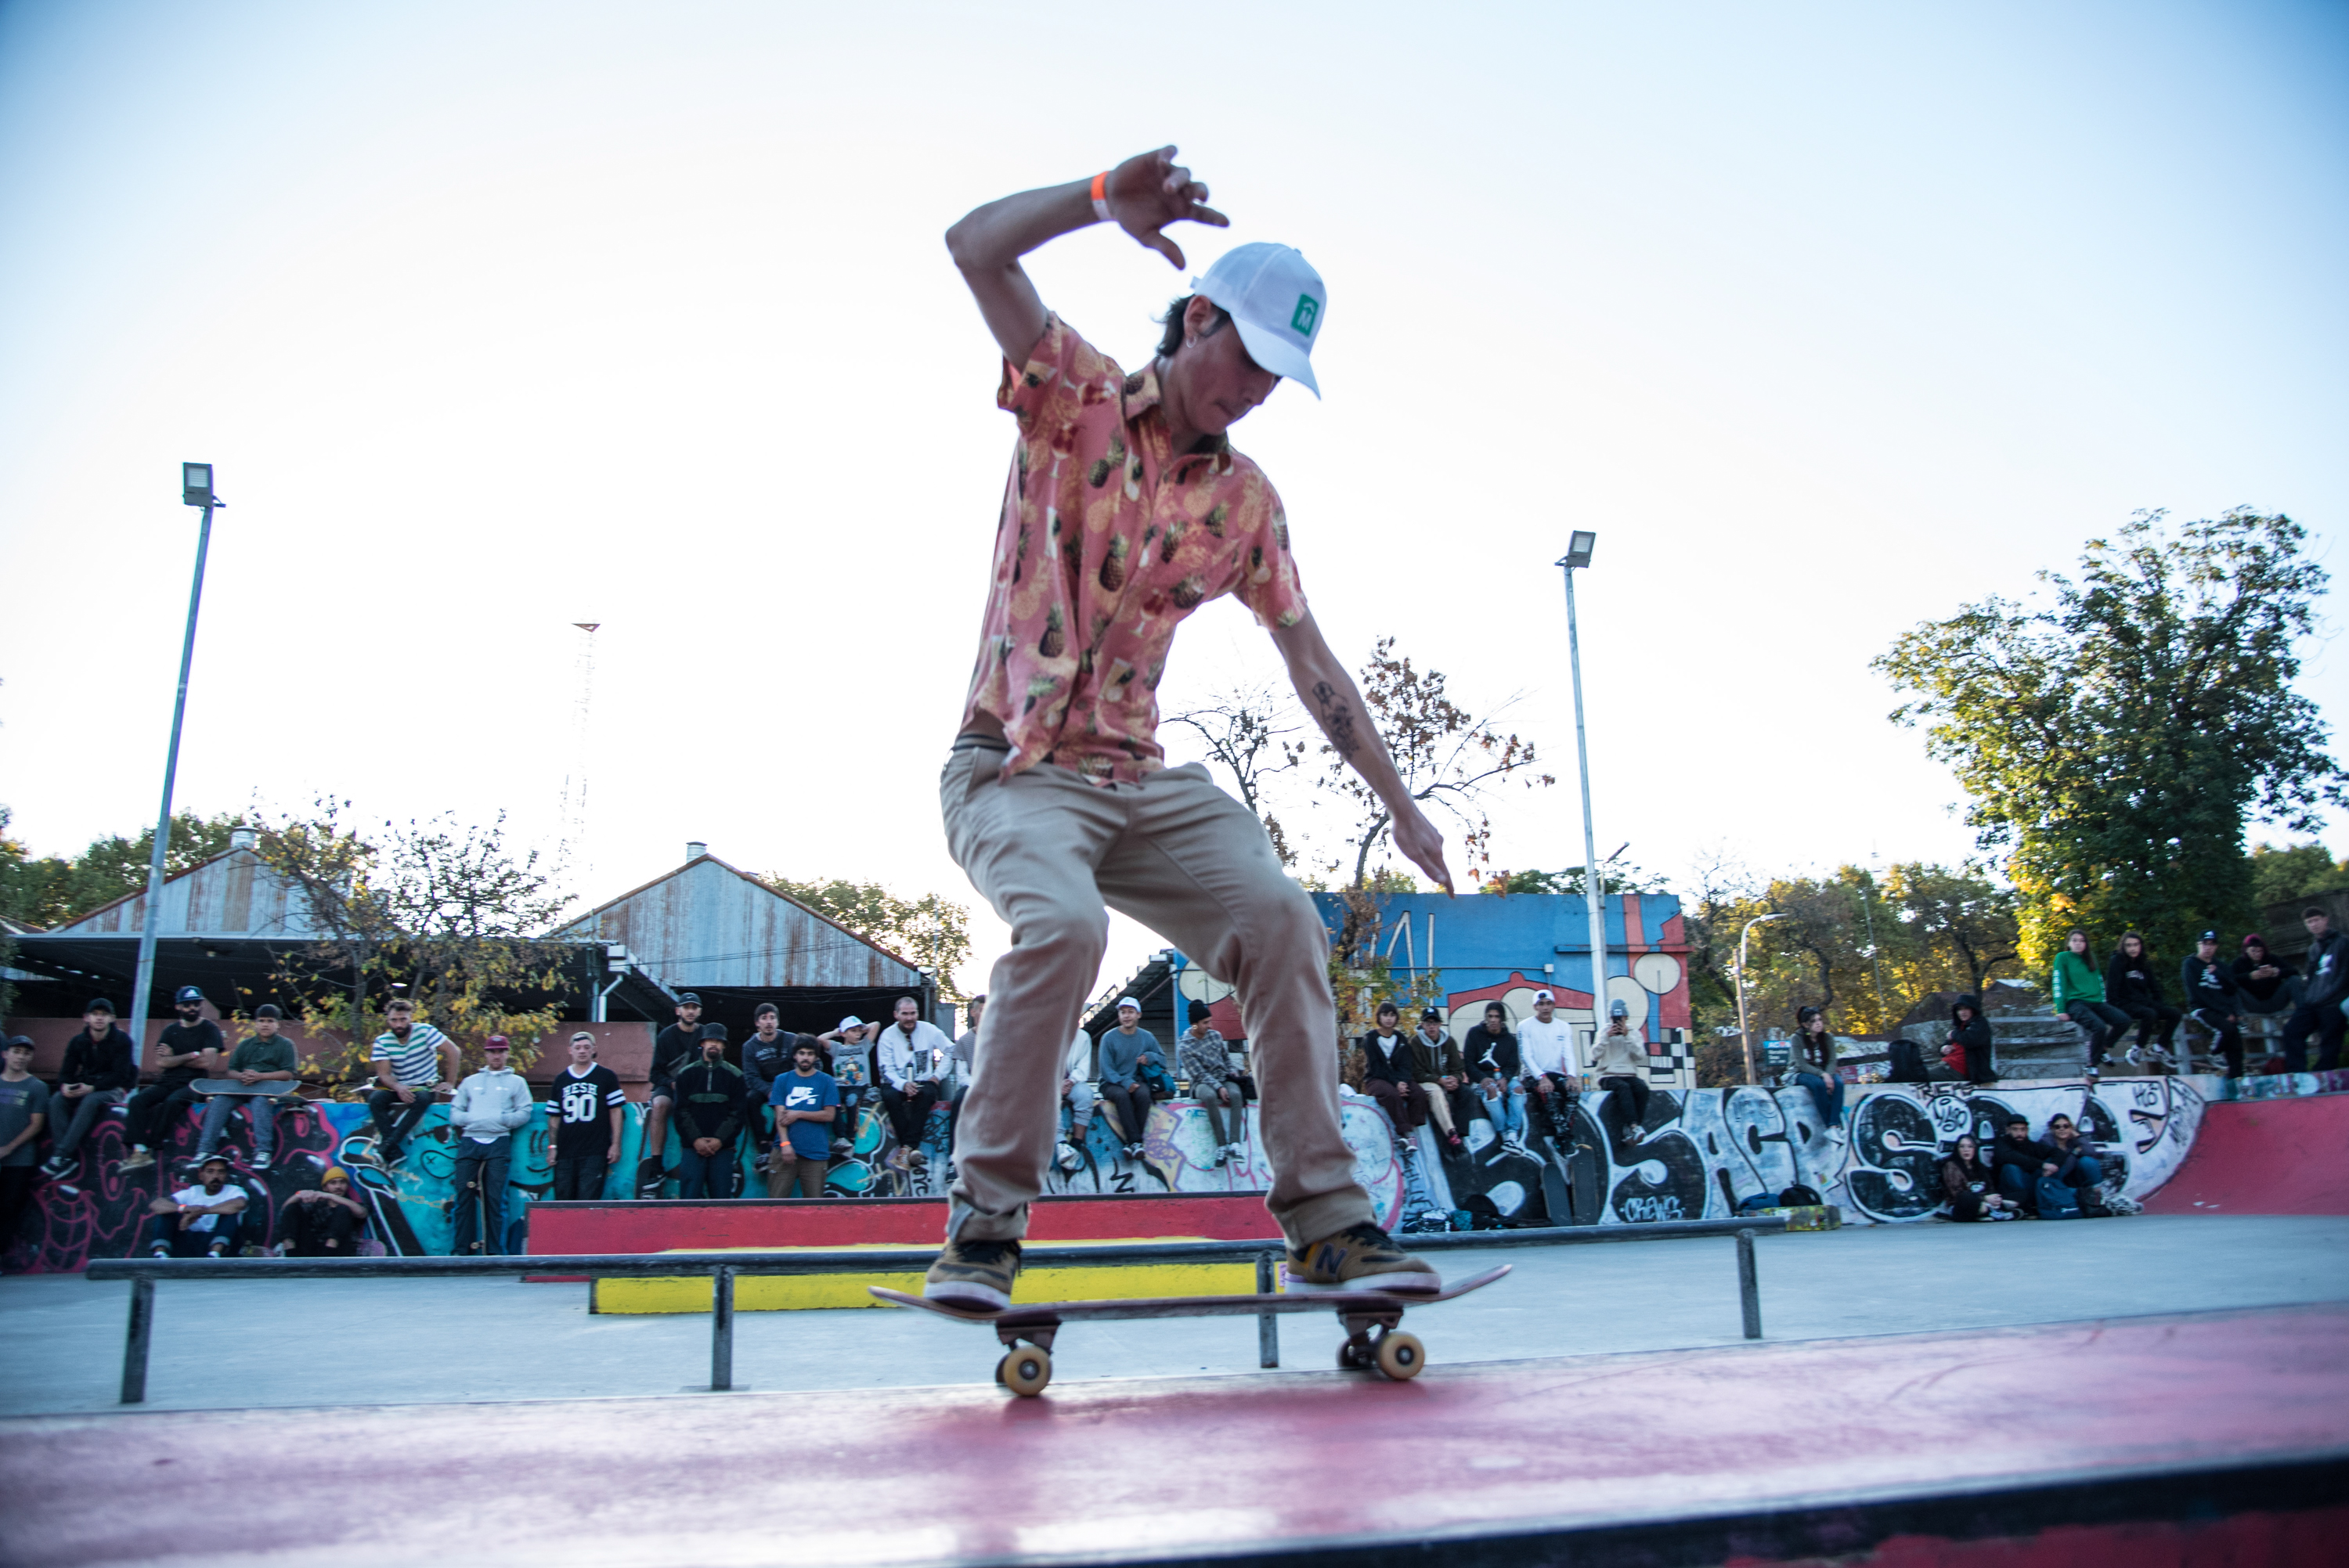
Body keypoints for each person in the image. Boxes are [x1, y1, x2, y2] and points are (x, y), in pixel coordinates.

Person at [926, 146, 1443, 1307]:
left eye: (1276, 377)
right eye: (1248, 360)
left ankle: (1329, 1219)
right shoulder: (1077, 397)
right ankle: (985, 1226)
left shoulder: (1246, 500)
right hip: (1013, 772)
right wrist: (1101, 201)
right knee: (1061, 927)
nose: (1255, 391)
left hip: (1141, 784)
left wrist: (1401, 806)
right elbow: (973, 246)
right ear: (1198, 318)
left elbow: (1313, 661)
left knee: (1279, 918)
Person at [117, 986, 224, 1172]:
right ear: (178, 1007)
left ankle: (150, 1149)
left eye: (196, 1004)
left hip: (195, 1083)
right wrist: (190, 1055)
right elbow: (161, 1062)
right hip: (168, 1081)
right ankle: (139, 1151)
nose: (192, 1008)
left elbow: (207, 1062)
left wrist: (174, 1057)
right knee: (137, 1101)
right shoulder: (170, 1031)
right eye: (187, 1004)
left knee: (172, 1102)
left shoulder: (209, 1029)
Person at [447, 1035, 533, 1254]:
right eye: (493, 1051)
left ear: (507, 1054)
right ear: (485, 1054)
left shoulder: (517, 1082)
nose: (497, 1056)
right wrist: (471, 1119)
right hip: (470, 1141)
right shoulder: (471, 1082)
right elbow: (455, 1111)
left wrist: (502, 1120)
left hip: (499, 1141)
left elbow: (525, 1111)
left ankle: (495, 1253)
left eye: (501, 1051)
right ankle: (460, 1251)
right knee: (463, 1197)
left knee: (496, 1199)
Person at [41, 998, 137, 1181]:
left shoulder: (122, 1041)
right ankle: (66, 1159)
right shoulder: (78, 1041)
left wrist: (92, 1088)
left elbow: (121, 1075)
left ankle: (61, 1154)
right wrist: (66, 1086)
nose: (99, 1018)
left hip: (113, 1089)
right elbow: (66, 1072)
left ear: (112, 1018)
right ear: (86, 1018)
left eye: (104, 1015)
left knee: (91, 1100)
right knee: (57, 1100)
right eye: (95, 1014)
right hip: (86, 1086)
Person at [194, 1004, 301, 1170]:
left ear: (277, 1024)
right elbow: (232, 1070)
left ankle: (263, 1152)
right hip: (242, 1085)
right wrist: (242, 1076)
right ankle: (204, 1150)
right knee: (220, 1100)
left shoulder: (286, 1045)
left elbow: (288, 1073)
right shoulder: (245, 1044)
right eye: (261, 1021)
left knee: (260, 1102)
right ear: (256, 1023)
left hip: (267, 1087)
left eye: (270, 1021)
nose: (265, 1025)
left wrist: (260, 1077)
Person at [363, 999, 459, 1168]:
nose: (398, 1024)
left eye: (403, 1019)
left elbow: (454, 1051)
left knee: (421, 1099)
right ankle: (393, 1153)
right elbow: (384, 1074)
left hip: (424, 1084)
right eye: (394, 1020)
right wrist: (399, 1087)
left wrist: (450, 1082)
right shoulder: (382, 1041)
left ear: (410, 1018)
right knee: (376, 1099)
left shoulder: (425, 1031)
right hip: (398, 1084)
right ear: (388, 1020)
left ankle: (387, 1147)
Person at [637, 993, 705, 1198]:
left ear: (699, 1011)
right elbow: (655, 1074)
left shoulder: (705, 1034)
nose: (690, 1011)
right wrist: (672, 1084)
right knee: (659, 1105)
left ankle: (697, 1163)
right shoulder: (666, 1035)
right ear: (678, 1011)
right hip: (670, 1085)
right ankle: (657, 1166)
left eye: (694, 1007)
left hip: (696, 1088)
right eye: (686, 1007)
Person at [545, 1030, 626, 1201]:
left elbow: (616, 1111)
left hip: (595, 1151)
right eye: (578, 1047)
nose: (582, 1051)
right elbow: (554, 1117)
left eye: (586, 1047)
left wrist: (616, 1144)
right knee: (563, 1202)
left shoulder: (606, 1076)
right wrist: (553, 1148)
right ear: (570, 1050)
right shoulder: (561, 1079)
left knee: (588, 1201)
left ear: (593, 1049)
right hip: (565, 1152)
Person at [670, 1024, 749, 1199]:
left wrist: (719, 1140)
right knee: (688, 1202)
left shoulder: (735, 1076)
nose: (714, 1044)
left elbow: (738, 1113)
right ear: (702, 1043)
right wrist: (696, 1140)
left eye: (719, 1041)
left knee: (721, 1203)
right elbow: (681, 1111)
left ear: (724, 1046)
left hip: (723, 1149)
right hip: (692, 1149)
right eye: (710, 1040)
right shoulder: (686, 1074)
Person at [876, 997, 954, 1172]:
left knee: (927, 1095)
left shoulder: (929, 1030)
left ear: (918, 1013)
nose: (910, 1018)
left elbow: (951, 1050)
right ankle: (911, 1148)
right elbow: (886, 1069)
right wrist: (903, 1084)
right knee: (890, 1097)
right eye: (905, 1014)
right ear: (896, 1015)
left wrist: (937, 1076)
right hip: (896, 1083)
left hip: (923, 1080)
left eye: (913, 1013)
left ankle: (906, 1149)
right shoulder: (887, 1036)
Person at [2052, 929, 2132, 1074]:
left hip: (2096, 1002)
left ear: (2086, 944)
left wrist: (2103, 1002)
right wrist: (2061, 1009)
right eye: (2075, 940)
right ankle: (2092, 1065)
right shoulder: (2063, 957)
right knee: (2099, 1027)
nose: (2078, 944)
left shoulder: (2090, 957)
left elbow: (2099, 981)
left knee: (2124, 1020)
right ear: (2069, 943)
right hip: (2075, 1003)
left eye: (2082, 941)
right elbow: (2059, 982)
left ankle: (2103, 1049)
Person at [767, 1040, 839, 1199]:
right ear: (794, 1056)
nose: (805, 1057)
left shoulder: (827, 1081)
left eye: (810, 1054)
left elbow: (829, 1115)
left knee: (814, 1209)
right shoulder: (782, 1080)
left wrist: (798, 1114)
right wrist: (785, 1145)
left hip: (816, 1152)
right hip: (784, 1151)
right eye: (801, 1053)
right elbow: (780, 1115)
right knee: (775, 1206)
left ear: (816, 1057)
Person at [2279, 907, 2347, 1072]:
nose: (2314, 924)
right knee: (2292, 1030)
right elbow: (2310, 976)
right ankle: (2298, 1073)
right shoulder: (2313, 949)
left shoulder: (2343, 943)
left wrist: (2332, 994)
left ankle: (2323, 1073)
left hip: (2334, 1001)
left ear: (2325, 920)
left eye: (2316, 920)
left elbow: (2345, 973)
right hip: (2313, 1002)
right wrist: (2308, 996)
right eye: (2309, 922)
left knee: (2330, 1040)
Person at [1178, 1000, 1243, 1165]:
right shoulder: (1185, 1046)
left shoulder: (1216, 1036)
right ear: (1194, 1025)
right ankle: (1221, 1146)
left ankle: (1234, 1144)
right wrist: (1219, 1087)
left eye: (1210, 1021)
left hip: (1223, 1077)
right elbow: (1199, 1074)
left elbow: (1226, 1059)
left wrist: (1232, 1072)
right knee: (1209, 1097)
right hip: (1201, 1082)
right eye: (1205, 1023)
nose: (1210, 1025)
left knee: (1236, 1094)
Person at [1095, 1000, 1162, 1159]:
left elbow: (1163, 1059)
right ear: (1119, 1015)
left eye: (1130, 1012)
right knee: (1122, 1096)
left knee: (1144, 1095)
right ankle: (1135, 1142)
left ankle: (1132, 1144)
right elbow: (1106, 1070)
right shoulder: (1108, 1038)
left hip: (1137, 1080)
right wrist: (1125, 1083)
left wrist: (1149, 1057)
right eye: (1123, 1012)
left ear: (1139, 1014)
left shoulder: (1147, 1037)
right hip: (1110, 1082)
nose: (1126, 1016)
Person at [0, 1037, 50, 1252]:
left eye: (26, 1053)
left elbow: (36, 1125)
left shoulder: (37, 1087)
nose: (20, 1056)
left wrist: (8, 1149)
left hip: (19, 1159)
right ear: (5, 1054)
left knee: (7, 1208)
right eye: (16, 1051)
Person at [143, 1155, 246, 1257]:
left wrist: (201, 1211)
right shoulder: (192, 1192)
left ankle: (214, 1255)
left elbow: (240, 1204)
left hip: (221, 1244)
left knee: (231, 1213)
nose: (216, 1176)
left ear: (226, 1175)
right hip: (189, 1243)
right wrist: (185, 1209)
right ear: (201, 1175)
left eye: (221, 1172)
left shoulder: (234, 1190)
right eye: (210, 1171)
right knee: (166, 1212)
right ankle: (160, 1255)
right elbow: (156, 1205)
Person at [2105, 932, 2181, 1067]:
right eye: (2129, 946)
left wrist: (2160, 1005)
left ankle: (2159, 1048)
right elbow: (2111, 988)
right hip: (2123, 1003)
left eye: (2135, 945)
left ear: (2140, 946)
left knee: (2175, 1013)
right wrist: (2114, 1009)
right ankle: (2137, 1049)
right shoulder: (2118, 961)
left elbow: (2154, 987)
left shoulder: (2144, 963)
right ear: (2124, 947)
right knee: (2149, 1014)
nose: (2132, 949)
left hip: (2143, 1002)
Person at [1356, 1003, 1424, 1148]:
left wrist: (1403, 1082)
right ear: (1379, 1017)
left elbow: (1406, 1065)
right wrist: (1396, 1084)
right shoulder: (1371, 1038)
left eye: (1392, 1015)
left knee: (1418, 1093)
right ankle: (1405, 1134)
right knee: (1392, 1095)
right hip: (1376, 1079)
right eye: (1385, 1015)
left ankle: (1411, 1127)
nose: (1389, 1018)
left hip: (1400, 1079)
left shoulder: (1401, 1039)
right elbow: (1376, 1067)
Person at [1408, 1007, 1473, 1155]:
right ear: (1422, 1025)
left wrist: (1455, 1079)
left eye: (1435, 1023)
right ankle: (1452, 1135)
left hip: (1446, 1080)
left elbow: (1457, 1068)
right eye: (1428, 1023)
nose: (1431, 1026)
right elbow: (1417, 1073)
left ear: (1440, 1024)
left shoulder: (1449, 1042)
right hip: (1426, 1082)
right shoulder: (1415, 1043)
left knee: (1467, 1093)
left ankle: (1462, 1134)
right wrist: (1439, 1080)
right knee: (1437, 1093)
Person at [1517, 989, 1579, 1144]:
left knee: (1573, 1091)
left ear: (1554, 1006)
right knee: (1547, 1092)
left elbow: (1569, 1054)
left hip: (1555, 1074)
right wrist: (1541, 1077)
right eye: (1541, 1004)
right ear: (1535, 1007)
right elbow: (1526, 1056)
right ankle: (1565, 1138)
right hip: (1532, 1076)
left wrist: (1572, 1076)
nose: (1545, 1008)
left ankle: (1562, 1136)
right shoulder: (1524, 1026)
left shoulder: (1563, 1027)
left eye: (1548, 1004)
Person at [2180, 932, 2245, 1077]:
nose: (2208, 948)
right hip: (2202, 1008)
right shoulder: (2190, 964)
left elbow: (2232, 989)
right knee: (2226, 1029)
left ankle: (2237, 1080)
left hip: (2224, 1009)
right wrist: (2223, 1012)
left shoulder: (2220, 965)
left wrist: (2233, 1012)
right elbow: (2196, 993)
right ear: (2198, 945)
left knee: (2236, 1043)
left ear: (2216, 946)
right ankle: (2215, 1053)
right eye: (2205, 944)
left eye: (2212, 944)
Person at [1463, 1001, 1527, 1151]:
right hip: (1482, 1078)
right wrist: (1481, 1078)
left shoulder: (1510, 1039)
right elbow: (1468, 1063)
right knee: (1492, 1091)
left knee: (1518, 1089)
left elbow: (1513, 1065)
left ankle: (1512, 1133)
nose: (1493, 1020)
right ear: (1485, 1018)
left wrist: (1506, 1078)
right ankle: (1505, 1135)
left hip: (1504, 1077)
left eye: (1496, 1017)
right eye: (1490, 1016)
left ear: (1502, 1019)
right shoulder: (1474, 1034)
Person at [1590, 999, 1652, 1151]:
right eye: (1614, 1019)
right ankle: (1633, 1126)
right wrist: (1606, 1037)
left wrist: (1628, 1037)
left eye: (1621, 1019)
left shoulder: (1634, 1033)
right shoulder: (1603, 1032)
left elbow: (1641, 1055)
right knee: (1622, 1088)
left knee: (1642, 1088)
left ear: (1626, 1018)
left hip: (1629, 1073)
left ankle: (1633, 1127)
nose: (1618, 1022)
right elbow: (1594, 1055)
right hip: (1608, 1075)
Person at [740, 1004, 793, 1172]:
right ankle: (763, 1146)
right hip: (764, 1087)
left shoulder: (791, 1040)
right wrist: (769, 1091)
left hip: (788, 1087)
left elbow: (810, 1060)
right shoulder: (749, 1047)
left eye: (772, 1018)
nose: (768, 1022)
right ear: (757, 1023)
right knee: (750, 1099)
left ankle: (773, 1143)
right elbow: (750, 1077)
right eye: (764, 1018)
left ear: (778, 1021)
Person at [817, 1015, 878, 1160]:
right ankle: (841, 1137)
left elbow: (876, 1024)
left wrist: (863, 1029)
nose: (857, 1034)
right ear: (844, 1033)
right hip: (840, 1085)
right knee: (834, 1102)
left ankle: (851, 1137)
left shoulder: (864, 1045)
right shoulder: (837, 1048)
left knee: (851, 1100)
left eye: (859, 1031)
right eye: (853, 1031)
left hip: (858, 1086)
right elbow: (820, 1039)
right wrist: (836, 1032)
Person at [280, 1166, 368, 1256]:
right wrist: (299, 1194)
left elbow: (362, 1213)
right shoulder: (316, 1207)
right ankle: (290, 1257)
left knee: (343, 1208)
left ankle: (328, 1256)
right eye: (333, 1183)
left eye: (342, 1182)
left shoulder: (351, 1206)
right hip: (311, 1251)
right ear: (325, 1188)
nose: (338, 1186)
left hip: (338, 1254)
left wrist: (330, 1196)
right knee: (292, 1208)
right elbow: (285, 1211)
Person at [1788, 1005, 1846, 1134]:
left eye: (1820, 1019)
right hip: (1800, 1073)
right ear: (1805, 1024)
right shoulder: (1796, 1039)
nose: (1819, 1023)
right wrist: (1823, 1075)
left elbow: (1832, 1060)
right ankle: (1828, 1126)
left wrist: (1828, 1076)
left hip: (1824, 1072)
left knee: (1839, 1084)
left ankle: (1833, 1126)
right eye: (1813, 1021)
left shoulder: (1828, 1038)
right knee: (1818, 1085)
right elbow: (1801, 1064)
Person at [1938, 1134, 2019, 1222]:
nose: (1966, 1150)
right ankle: (1997, 1212)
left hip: (1985, 1202)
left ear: (1974, 1149)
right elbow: (1957, 1194)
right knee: (1966, 1197)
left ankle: (1990, 1211)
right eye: (1962, 1146)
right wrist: (1984, 1198)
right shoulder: (1951, 1166)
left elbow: (1990, 1188)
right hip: (1960, 1205)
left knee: (2021, 1194)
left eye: (1970, 1146)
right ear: (1957, 1149)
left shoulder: (1980, 1167)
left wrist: (1995, 1199)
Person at [1990, 1116, 2059, 1216]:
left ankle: (2046, 1203)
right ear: (2008, 1130)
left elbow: (2057, 1153)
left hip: (2030, 1187)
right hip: (2010, 1192)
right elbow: (2010, 1157)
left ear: (2027, 1130)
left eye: (2023, 1130)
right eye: (2015, 1129)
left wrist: (2054, 1165)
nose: (2019, 1133)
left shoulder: (2032, 1145)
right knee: (2011, 1168)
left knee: (2050, 1164)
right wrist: (2042, 1164)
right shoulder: (2001, 1143)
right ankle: (2025, 1206)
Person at [946, 995, 984, 1158]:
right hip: (973, 1085)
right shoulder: (964, 1041)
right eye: (983, 1010)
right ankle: (954, 1156)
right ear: (973, 1013)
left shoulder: (1002, 1037)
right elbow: (961, 1075)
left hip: (996, 1085)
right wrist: (977, 1087)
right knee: (959, 1099)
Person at [1056, 1028, 1097, 1168]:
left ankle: (1076, 1144)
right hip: (1047, 1083)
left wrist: (1071, 1081)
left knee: (1086, 1095)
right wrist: (1056, 1084)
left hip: (1072, 1081)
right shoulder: (1045, 1033)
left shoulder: (1084, 1036)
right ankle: (1060, 1144)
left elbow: (1082, 1066)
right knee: (1049, 1099)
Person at [1943, 995, 1997, 1085]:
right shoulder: (1960, 1027)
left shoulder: (1980, 1024)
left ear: (1973, 1009)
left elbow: (1969, 1040)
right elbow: (1945, 1044)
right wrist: (1944, 1048)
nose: (1962, 1012)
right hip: (1948, 1065)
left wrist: (1953, 1034)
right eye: (1959, 1009)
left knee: (1919, 1077)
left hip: (1963, 1071)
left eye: (1966, 1009)